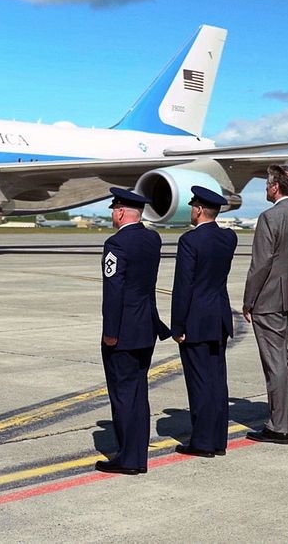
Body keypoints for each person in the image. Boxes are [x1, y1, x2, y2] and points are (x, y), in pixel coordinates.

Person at [96, 187, 171, 475]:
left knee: (124, 394)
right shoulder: (152, 239)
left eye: (115, 209)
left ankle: (128, 458)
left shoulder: (116, 244)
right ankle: (137, 455)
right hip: (145, 327)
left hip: (124, 331)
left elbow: (113, 291)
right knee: (139, 393)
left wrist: (110, 331)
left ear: (120, 212)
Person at [243, 164, 288, 444]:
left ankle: (277, 426)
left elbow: (260, 264)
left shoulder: (269, 217)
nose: (265, 189)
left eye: (266, 185)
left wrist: (249, 300)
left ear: (275, 187)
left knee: (274, 362)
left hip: (271, 298)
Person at [170, 186, 237, 458]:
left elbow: (183, 286)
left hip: (196, 320)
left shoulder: (190, 241)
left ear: (198, 210)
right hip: (219, 316)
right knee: (217, 382)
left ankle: (202, 442)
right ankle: (218, 440)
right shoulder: (228, 238)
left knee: (199, 384)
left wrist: (178, 325)